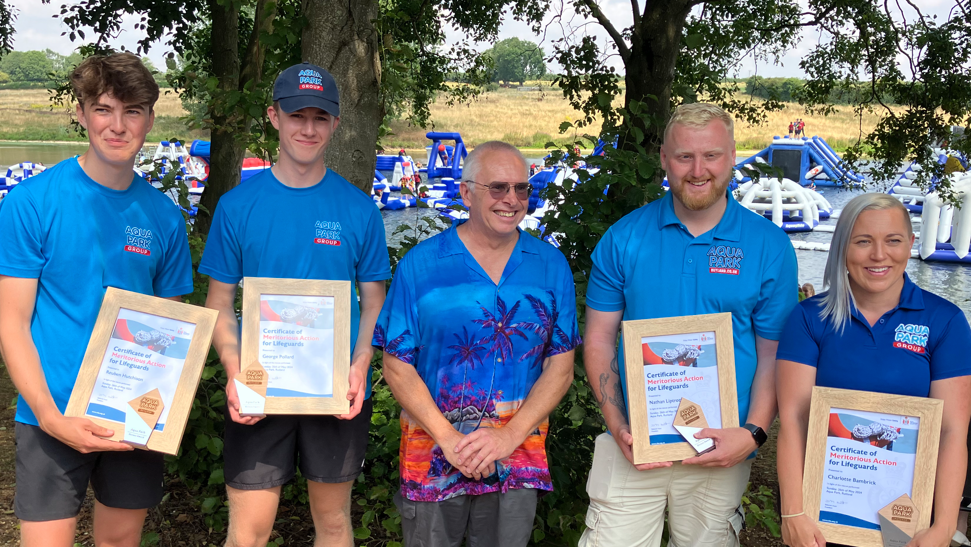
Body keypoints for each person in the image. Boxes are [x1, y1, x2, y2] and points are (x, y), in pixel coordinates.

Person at [578, 102, 798, 547]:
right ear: (663, 158)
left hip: (721, 447)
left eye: (712, 155)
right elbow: (599, 337)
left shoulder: (769, 246)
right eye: (684, 157)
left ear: (733, 155)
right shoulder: (624, 238)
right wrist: (617, 421)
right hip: (634, 443)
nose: (698, 170)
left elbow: (774, 353)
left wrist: (753, 433)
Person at [0, 53, 193, 546]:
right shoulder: (30, 203)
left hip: (133, 416)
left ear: (150, 119)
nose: (117, 125)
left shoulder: (165, 219)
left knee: (120, 542)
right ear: (82, 113)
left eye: (132, 111)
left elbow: (172, 333)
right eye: (104, 109)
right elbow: (12, 324)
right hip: (51, 409)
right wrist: (49, 416)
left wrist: (158, 412)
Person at [199, 62, 391, 547]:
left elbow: (374, 303)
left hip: (337, 391)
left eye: (320, 118)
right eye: (296, 115)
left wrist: (361, 363)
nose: (308, 128)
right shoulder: (237, 206)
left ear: (336, 125)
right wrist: (235, 370)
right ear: (273, 116)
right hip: (260, 388)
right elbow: (219, 304)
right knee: (248, 531)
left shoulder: (358, 209)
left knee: (332, 523)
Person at [373, 141, 579, 546]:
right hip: (433, 455)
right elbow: (396, 363)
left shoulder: (549, 265)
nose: (512, 200)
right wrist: (449, 440)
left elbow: (561, 366)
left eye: (522, 189)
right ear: (466, 192)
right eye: (498, 187)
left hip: (517, 457)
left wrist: (508, 436)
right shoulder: (422, 264)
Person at [776, 193, 971, 547]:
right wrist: (793, 512)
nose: (879, 255)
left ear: (911, 244)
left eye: (893, 241)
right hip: (824, 513)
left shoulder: (946, 321)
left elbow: (952, 431)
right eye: (863, 241)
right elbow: (793, 420)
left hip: (908, 520)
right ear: (842, 247)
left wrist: (943, 526)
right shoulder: (809, 317)